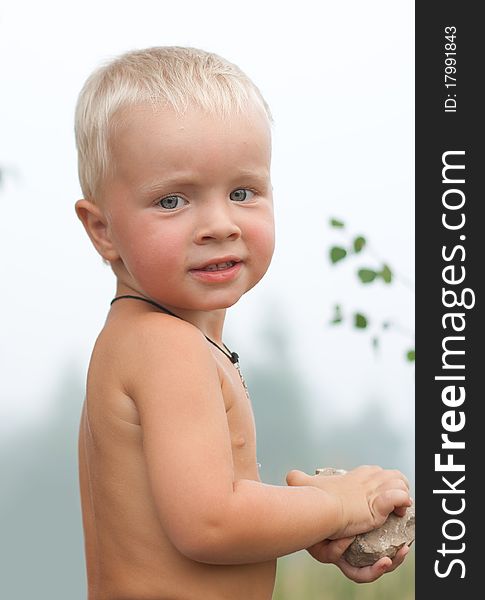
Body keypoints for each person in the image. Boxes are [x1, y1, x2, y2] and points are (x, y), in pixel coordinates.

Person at [74, 46, 412, 600]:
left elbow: (209, 516)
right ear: (102, 229)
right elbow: (210, 523)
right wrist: (341, 504)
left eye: (241, 192)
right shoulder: (165, 347)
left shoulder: (141, 339)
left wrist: (318, 524)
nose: (218, 224)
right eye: (172, 200)